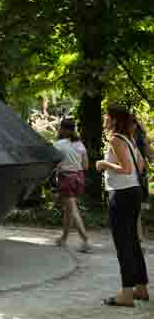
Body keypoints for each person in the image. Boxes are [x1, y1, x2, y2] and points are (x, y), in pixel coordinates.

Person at [96, 104, 149, 307]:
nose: (104, 119)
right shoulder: (130, 139)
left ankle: (126, 294)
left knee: (123, 244)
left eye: (106, 116)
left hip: (122, 194)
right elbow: (140, 165)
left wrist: (104, 164)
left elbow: (126, 168)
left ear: (114, 120)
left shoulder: (117, 140)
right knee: (133, 242)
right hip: (133, 192)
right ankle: (141, 288)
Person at [54, 118, 91, 252]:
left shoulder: (58, 144)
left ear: (62, 129)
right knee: (68, 210)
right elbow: (86, 166)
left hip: (66, 178)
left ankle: (86, 240)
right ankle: (63, 239)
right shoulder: (80, 144)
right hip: (79, 178)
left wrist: (62, 167)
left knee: (73, 209)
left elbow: (55, 164)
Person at [131, 115, 151, 242]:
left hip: (132, 173)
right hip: (142, 173)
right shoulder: (144, 138)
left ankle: (137, 236)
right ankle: (138, 236)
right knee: (137, 208)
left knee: (133, 208)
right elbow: (151, 155)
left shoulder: (128, 138)